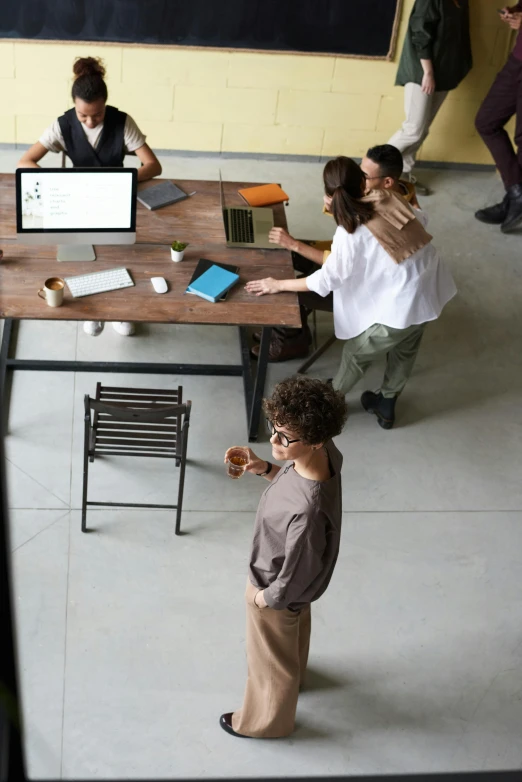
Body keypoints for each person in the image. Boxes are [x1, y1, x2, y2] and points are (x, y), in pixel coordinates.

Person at [246, 157, 457, 430]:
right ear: (363, 182)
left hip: (403, 304)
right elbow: (421, 220)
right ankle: (387, 403)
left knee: (356, 354)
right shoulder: (388, 196)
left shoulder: (351, 231)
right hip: (430, 288)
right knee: (406, 350)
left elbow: (329, 278)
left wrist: (279, 284)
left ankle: (327, 403)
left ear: (329, 194)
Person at [221, 376, 347, 739]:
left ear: (316, 439)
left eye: (284, 438)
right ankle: (297, 679)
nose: (274, 441)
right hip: (294, 593)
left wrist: (263, 598)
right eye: (274, 430)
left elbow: (292, 577)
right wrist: (265, 467)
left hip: (273, 585)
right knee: (291, 635)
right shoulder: (324, 457)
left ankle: (265, 724)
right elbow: (295, 484)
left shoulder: (308, 515)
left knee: (268, 663)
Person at [18, 56, 162, 337]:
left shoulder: (122, 122)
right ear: (75, 105)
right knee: (83, 258)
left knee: (121, 253)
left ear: (105, 104)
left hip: (115, 197)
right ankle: (94, 309)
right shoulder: (63, 124)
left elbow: (153, 166)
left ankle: (119, 311)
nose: (90, 120)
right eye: (83, 115)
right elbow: (26, 161)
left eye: (97, 115)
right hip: (77, 198)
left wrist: (123, 181)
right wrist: (57, 184)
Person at [251, 144, 420, 363]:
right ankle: (292, 326)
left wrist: (292, 252)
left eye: (364, 176)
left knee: (288, 287)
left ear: (387, 182)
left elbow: (337, 269)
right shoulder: (390, 195)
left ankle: (291, 341)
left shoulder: (383, 217)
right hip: (348, 261)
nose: (359, 180)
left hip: (363, 288)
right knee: (285, 254)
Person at [388, 0, 472, 195]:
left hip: (444, 73)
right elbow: (420, 33)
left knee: (422, 129)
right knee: (413, 129)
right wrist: (428, 72)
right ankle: (369, 170)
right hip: (423, 72)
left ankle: (403, 175)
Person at [474, 5, 522, 233]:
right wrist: (514, 11)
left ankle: (514, 201)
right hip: (518, 60)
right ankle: (517, 194)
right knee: (486, 121)